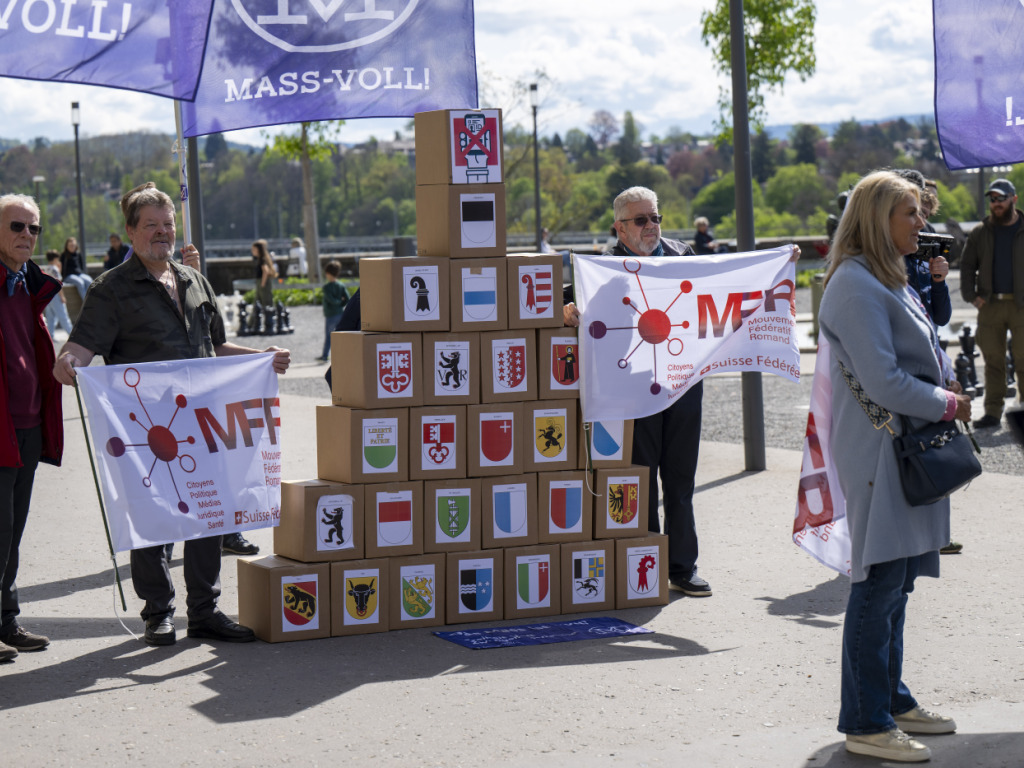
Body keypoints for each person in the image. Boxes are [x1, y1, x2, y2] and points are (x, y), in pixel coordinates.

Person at [52, 182, 291, 647]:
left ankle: (205, 612)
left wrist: (260, 357)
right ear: (130, 231)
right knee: (154, 520)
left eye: (167, 224)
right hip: (148, 431)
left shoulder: (194, 280)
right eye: (151, 226)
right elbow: (80, 348)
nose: (161, 232)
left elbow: (216, 346)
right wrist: (68, 362)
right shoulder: (110, 289)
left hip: (204, 425)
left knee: (209, 515)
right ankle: (158, 613)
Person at [819, 170, 969, 762]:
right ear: (878, 219)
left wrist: (942, 384)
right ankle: (866, 721)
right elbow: (883, 380)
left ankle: (891, 701)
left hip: (898, 445)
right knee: (879, 582)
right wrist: (946, 403)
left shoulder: (882, 275)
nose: (922, 222)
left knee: (897, 583)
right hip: (881, 449)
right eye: (911, 212)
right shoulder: (857, 284)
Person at [564, 186, 712, 596]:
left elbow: (728, 283)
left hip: (682, 383)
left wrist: (776, 266)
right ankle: (645, 563)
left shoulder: (684, 255)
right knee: (641, 478)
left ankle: (682, 567)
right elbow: (566, 300)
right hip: (633, 386)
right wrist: (565, 309)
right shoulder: (601, 268)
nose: (651, 226)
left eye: (655, 217)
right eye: (641, 220)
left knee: (680, 479)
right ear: (620, 228)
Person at [0, 194, 63, 662]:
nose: (27, 235)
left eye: (34, 228)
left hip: (29, 425)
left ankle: (6, 621)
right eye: (17, 226)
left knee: (12, 532)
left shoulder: (31, 285)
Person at [959, 178, 1024, 429]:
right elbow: (967, 266)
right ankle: (993, 413)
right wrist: (971, 295)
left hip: (1021, 305)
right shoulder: (980, 232)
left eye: (1001, 198)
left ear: (1013, 199)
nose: (996, 203)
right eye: (993, 199)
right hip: (990, 305)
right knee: (993, 360)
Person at [318, 260, 349, 362]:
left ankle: (325, 356)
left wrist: (338, 302)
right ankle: (342, 355)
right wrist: (341, 304)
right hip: (340, 313)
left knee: (329, 336)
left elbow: (332, 300)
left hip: (331, 315)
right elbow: (347, 298)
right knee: (340, 335)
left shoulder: (327, 287)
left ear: (328, 273)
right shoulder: (341, 285)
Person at [41, 249, 74, 337]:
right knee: (63, 316)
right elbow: (58, 284)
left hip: (49, 295)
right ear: (55, 258)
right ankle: (72, 335)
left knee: (50, 317)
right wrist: (62, 296)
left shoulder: (47, 268)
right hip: (56, 295)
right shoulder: (54, 269)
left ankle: (50, 336)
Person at [250, 239, 277, 332]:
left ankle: (271, 323)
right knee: (258, 303)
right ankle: (252, 324)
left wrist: (262, 283)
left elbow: (266, 271)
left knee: (266, 303)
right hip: (262, 282)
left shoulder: (262, 259)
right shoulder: (261, 259)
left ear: (258, 250)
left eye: (254, 249)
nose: (252, 251)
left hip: (262, 282)